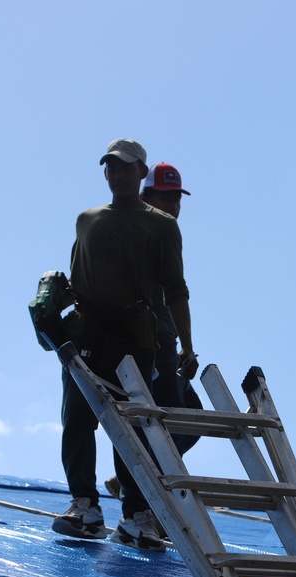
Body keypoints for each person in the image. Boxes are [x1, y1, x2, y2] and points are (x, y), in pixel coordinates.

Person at [52, 138, 197, 553]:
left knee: (133, 426)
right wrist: (56, 315)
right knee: (78, 419)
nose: (116, 174)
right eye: (110, 168)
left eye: (125, 168)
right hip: (86, 334)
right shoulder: (87, 219)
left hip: (136, 337)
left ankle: (135, 515)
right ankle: (85, 507)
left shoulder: (162, 225)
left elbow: (176, 291)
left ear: (140, 173)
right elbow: (75, 280)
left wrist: (187, 344)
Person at [103, 162, 201, 502]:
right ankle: (143, 497)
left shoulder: (164, 233)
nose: (173, 206)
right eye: (166, 198)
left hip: (165, 345)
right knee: (167, 423)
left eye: (177, 199)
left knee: (191, 419)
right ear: (148, 197)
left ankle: (132, 481)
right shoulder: (142, 232)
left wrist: (184, 349)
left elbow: (173, 295)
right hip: (149, 345)